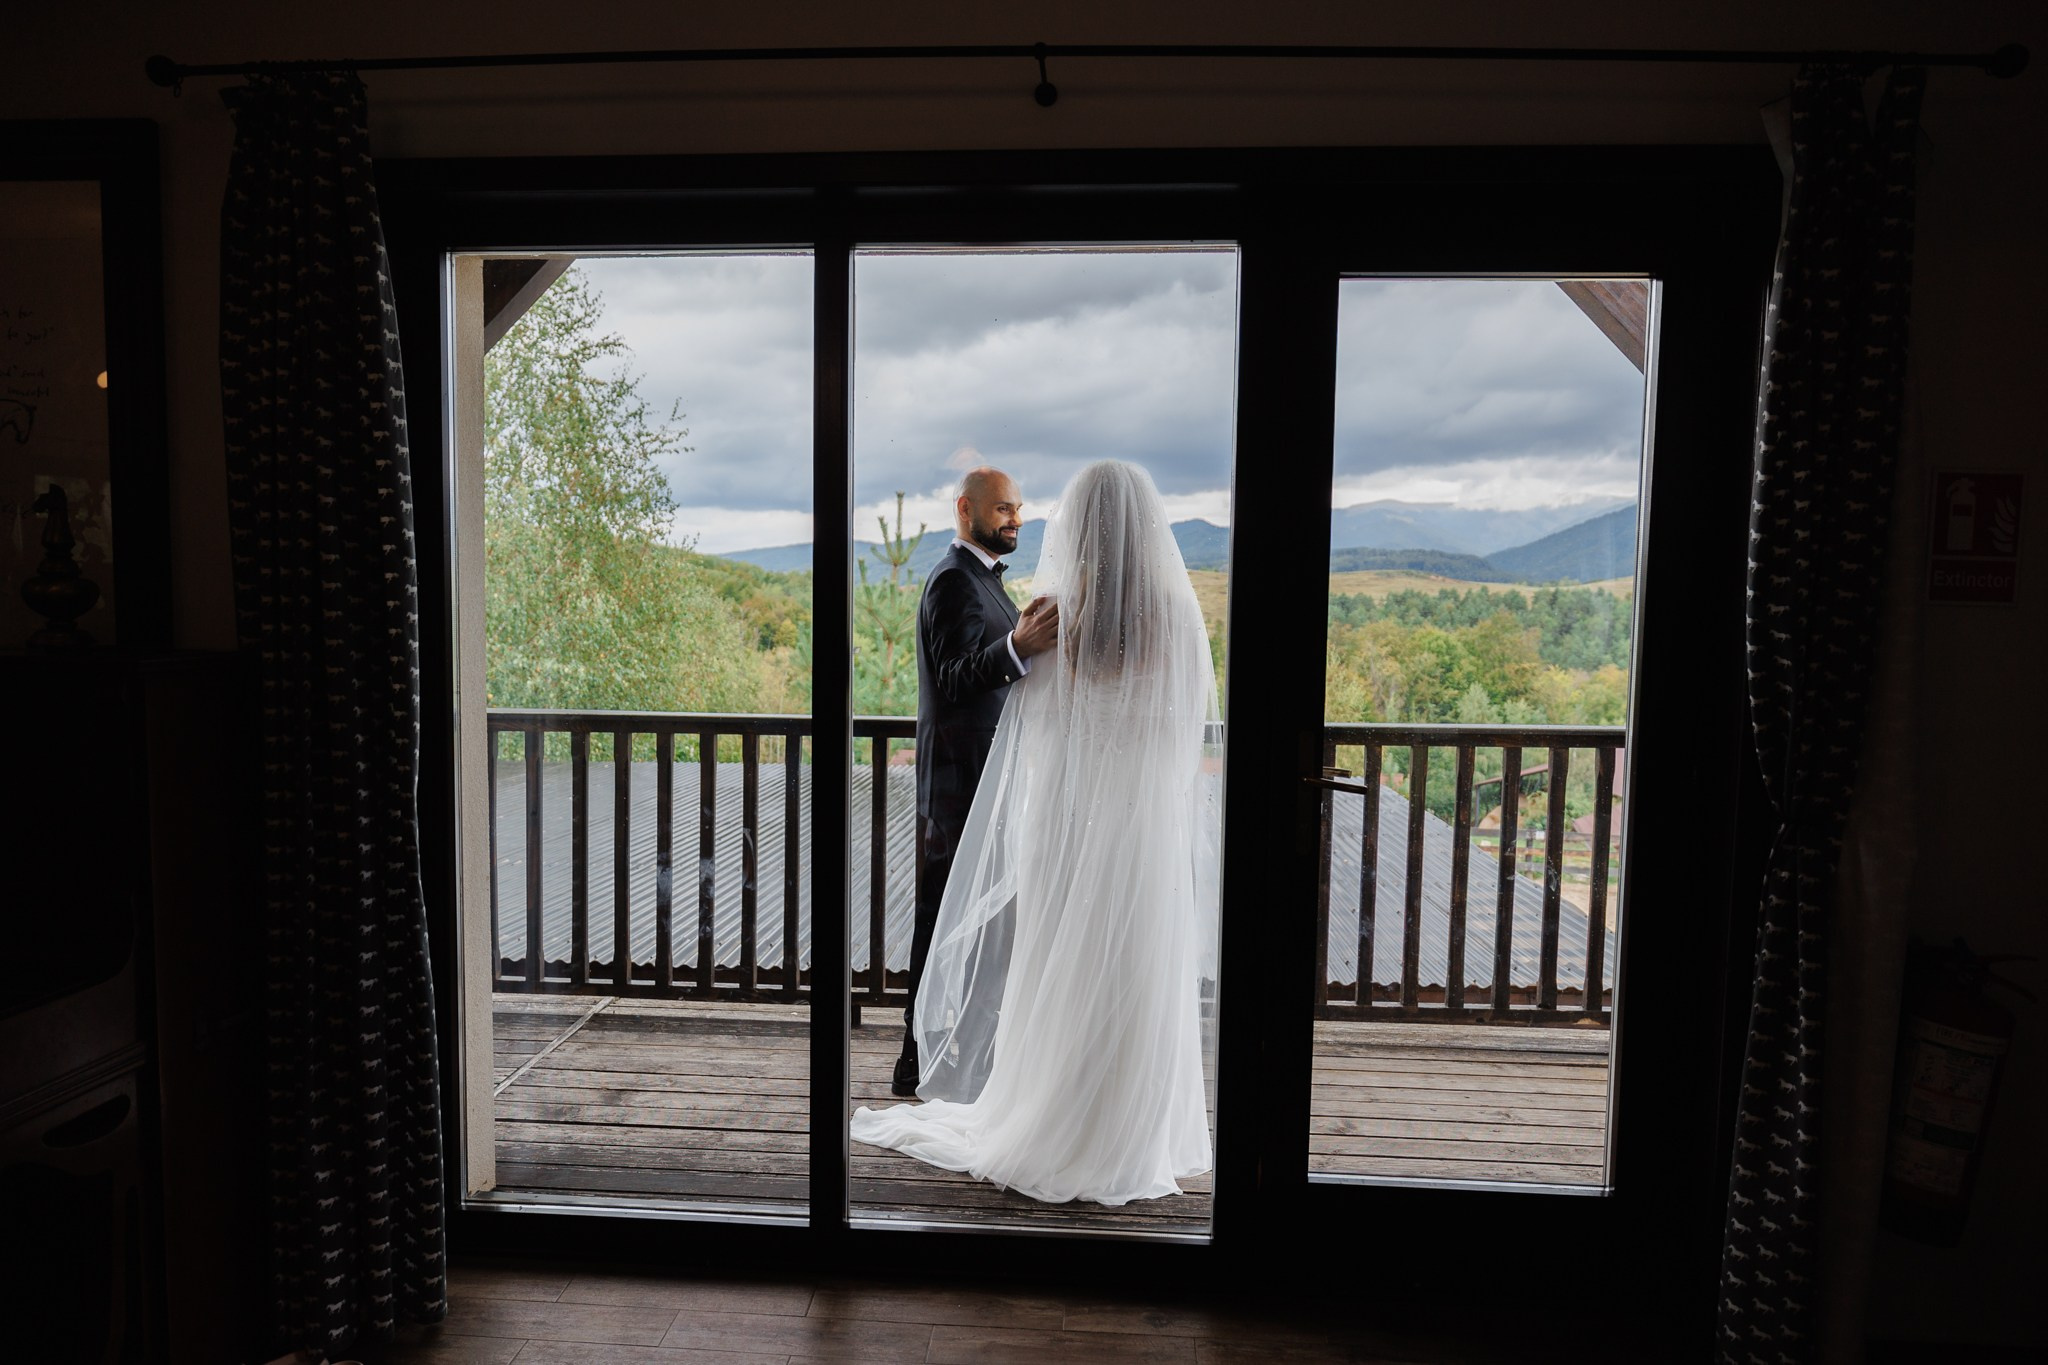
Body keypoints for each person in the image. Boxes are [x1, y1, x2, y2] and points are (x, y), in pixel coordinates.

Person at [853, 459, 1220, 1206]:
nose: (1023, 520)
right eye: (1008, 508)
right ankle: (1131, 1130)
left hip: (1071, 828)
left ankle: (1053, 1111)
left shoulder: (1061, 613)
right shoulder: (1176, 617)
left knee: (1064, 971)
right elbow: (1178, 736)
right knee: (1133, 974)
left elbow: (1041, 735)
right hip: (1142, 837)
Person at [895, 467, 1060, 1096]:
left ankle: (966, 1054)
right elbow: (958, 675)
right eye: (1002, 510)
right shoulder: (951, 581)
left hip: (985, 783)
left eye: (1018, 508)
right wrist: (1018, 646)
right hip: (956, 788)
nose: (1014, 519)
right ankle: (917, 1060)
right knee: (943, 921)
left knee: (980, 923)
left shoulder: (984, 582)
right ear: (966, 509)